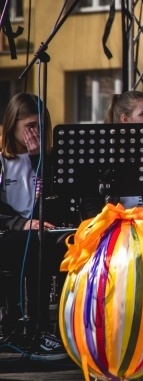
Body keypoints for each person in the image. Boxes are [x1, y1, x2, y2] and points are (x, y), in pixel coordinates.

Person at [0, 93, 66, 359]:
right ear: (12, 124)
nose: (34, 133)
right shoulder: (4, 161)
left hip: (44, 231)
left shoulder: (50, 161)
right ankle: (18, 323)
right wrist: (22, 223)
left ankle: (49, 328)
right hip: (12, 233)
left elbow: (57, 202)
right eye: (28, 126)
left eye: (39, 126)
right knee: (30, 245)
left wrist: (40, 160)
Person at [80, 92, 143, 230]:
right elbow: (89, 201)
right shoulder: (105, 156)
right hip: (111, 232)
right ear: (125, 119)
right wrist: (101, 225)